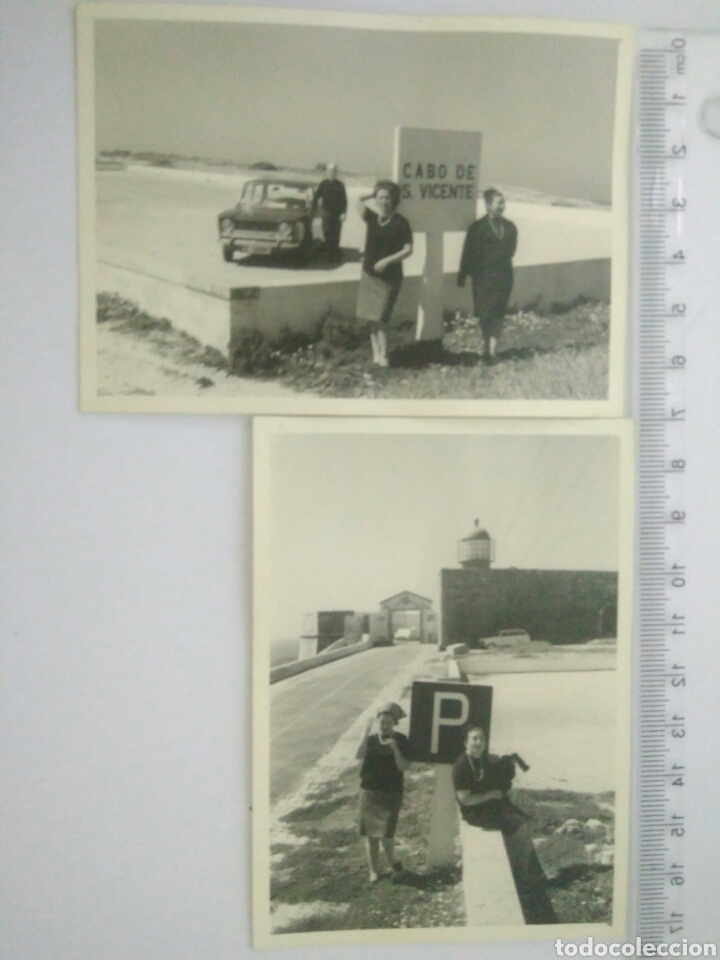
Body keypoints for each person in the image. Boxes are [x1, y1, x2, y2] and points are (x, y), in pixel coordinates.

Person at [452, 726, 558, 924]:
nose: (478, 743)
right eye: (474, 739)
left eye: (481, 739)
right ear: (465, 742)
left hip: (487, 808)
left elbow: (492, 769)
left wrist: (504, 762)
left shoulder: (480, 760)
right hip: (475, 814)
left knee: (523, 819)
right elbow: (465, 800)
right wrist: (492, 794)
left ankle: (520, 871)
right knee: (520, 824)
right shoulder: (461, 766)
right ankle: (522, 876)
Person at [355, 180, 413, 366]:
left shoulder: (401, 222)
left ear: (394, 200)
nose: (383, 201)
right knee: (372, 318)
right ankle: (376, 355)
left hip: (389, 278)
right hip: (369, 275)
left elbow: (408, 249)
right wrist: (373, 194)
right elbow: (356, 200)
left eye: (387, 198)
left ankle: (385, 356)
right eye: (380, 198)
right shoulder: (372, 218)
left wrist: (387, 261)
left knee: (382, 317)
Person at [457, 188, 518, 364]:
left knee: (498, 312)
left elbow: (511, 250)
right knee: (485, 314)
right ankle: (485, 346)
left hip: (504, 276)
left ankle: (492, 351)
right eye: (499, 203)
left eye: (503, 203)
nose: (502, 206)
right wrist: (462, 276)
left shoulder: (510, 227)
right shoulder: (477, 228)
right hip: (482, 277)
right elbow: (468, 252)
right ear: (488, 205)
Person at [356, 702, 412, 882]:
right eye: (382, 722)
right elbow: (358, 755)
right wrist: (364, 732)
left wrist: (395, 749)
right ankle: (373, 870)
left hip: (392, 793)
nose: (384, 725)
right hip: (370, 792)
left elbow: (404, 766)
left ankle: (393, 863)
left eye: (388, 722)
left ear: (394, 723)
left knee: (387, 834)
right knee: (371, 835)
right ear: (377, 722)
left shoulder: (401, 740)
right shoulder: (371, 740)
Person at [311, 163, 348, 264]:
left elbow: (344, 200)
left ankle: (335, 256)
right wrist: (313, 210)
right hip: (326, 213)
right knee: (327, 234)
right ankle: (328, 256)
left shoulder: (340, 185)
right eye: (330, 171)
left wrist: (344, 213)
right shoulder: (323, 184)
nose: (332, 173)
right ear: (327, 172)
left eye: (334, 171)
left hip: (337, 214)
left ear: (336, 173)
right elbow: (316, 197)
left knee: (336, 235)